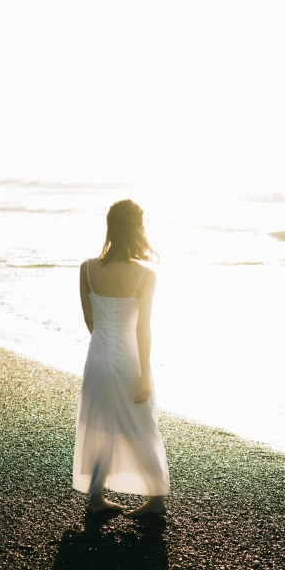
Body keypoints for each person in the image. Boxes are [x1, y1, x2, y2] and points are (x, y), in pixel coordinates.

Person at [72, 199, 170, 516]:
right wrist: (143, 374)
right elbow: (143, 329)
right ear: (137, 230)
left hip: (97, 357)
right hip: (130, 359)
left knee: (99, 426)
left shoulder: (86, 269)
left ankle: (96, 499)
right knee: (140, 426)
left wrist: (104, 346)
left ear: (110, 226)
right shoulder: (145, 276)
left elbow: (91, 322)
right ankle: (155, 500)